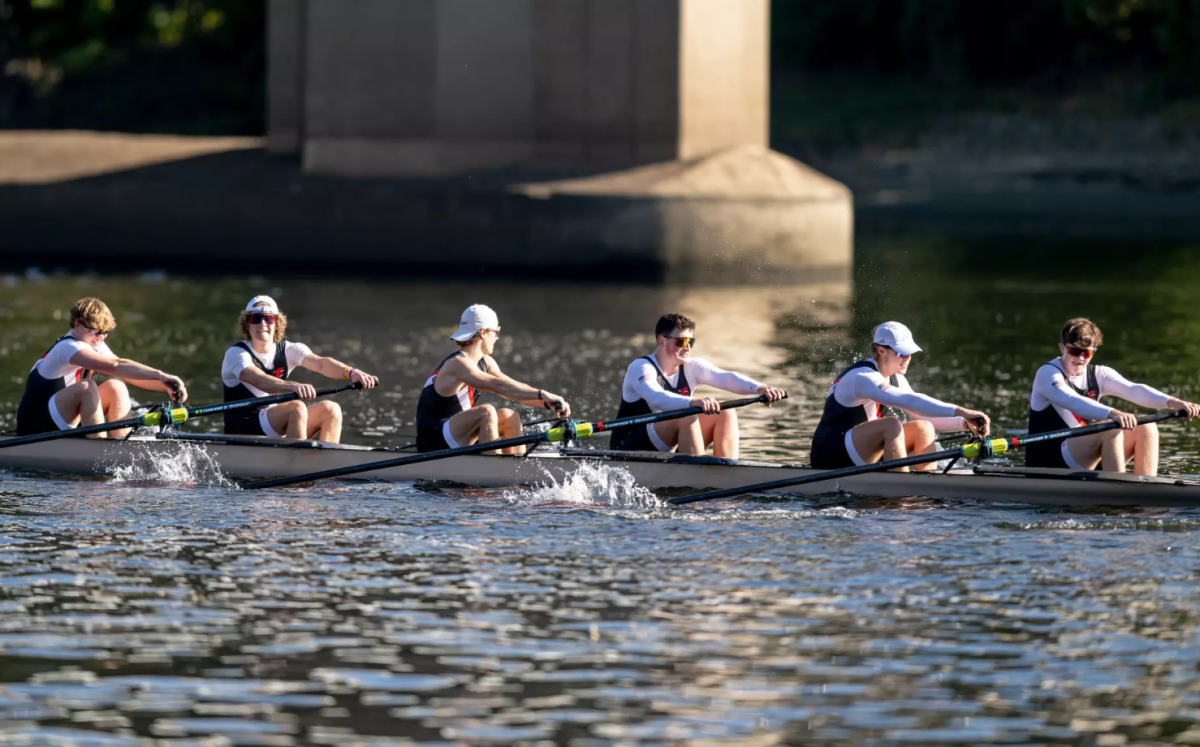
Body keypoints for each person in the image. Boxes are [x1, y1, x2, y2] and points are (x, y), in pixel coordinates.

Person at [1027, 317, 1199, 475]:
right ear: (1062, 348)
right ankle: (1117, 498)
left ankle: (1146, 489)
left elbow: (1134, 390)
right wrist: (1112, 413)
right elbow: (1072, 400)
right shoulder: (1048, 373)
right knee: (1112, 428)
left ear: (1093, 352)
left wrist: (1173, 402)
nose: (1080, 358)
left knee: (1147, 426)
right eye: (1074, 351)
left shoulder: (1099, 374)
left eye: (1086, 353)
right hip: (1047, 459)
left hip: (1081, 456)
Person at [810, 321, 991, 471]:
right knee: (891, 425)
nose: (907, 358)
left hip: (862, 451)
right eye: (901, 353)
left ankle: (927, 487)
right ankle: (902, 496)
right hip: (830, 454)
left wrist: (964, 423)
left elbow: (921, 413)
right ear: (881, 351)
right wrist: (962, 410)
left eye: (909, 353)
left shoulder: (896, 377)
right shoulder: (861, 377)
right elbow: (911, 401)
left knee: (923, 427)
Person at [610, 313, 786, 460]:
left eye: (691, 342)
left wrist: (760, 388)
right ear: (661, 340)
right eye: (681, 341)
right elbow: (656, 397)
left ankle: (726, 473)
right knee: (688, 415)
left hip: (666, 445)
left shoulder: (692, 366)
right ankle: (697, 478)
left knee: (725, 412)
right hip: (628, 447)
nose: (687, 348)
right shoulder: (641, 367)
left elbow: (726, 378)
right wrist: (692, 402)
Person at [16, 297, 188, 437]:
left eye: (105, 332)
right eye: (95, 330)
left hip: (62, 418)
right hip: (36, 426)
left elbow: (127, 373)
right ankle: (99, 453)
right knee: (87, 387)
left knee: (116, 386)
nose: (100, 337)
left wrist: (167, 386)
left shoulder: (93, 343)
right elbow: (115, 366)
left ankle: (121, 446)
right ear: (77, 324)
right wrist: (159, 374)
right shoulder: (67, 348)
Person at [416, 304, 569, 454]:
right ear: (483, 332)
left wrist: (550, 403)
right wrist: (542, 394)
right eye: (496, 331)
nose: (497, 337)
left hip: (457, 434)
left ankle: (515, 467)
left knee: (510, 415)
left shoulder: (487, 362)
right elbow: (496, 385)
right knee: (486, 412)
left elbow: (511, 388)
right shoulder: (457, 364)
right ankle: (494, 467)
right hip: (432, 440)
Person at [221, 296, 378, 442]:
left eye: (268, 318)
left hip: (274, 424)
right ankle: (298, 465)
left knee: (331, 409)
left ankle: (327, 464)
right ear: (247, 324)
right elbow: (259, 379)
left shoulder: (290, 350)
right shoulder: (236, 353)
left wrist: (351, 373)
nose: (262, 324)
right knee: (296, 407)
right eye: (256, 318)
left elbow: (321, 364)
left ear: (276, 324)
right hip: (243, 429)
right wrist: (293, 386)